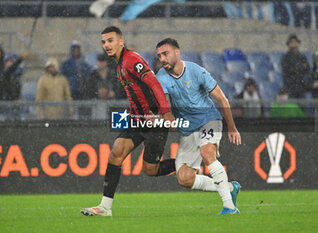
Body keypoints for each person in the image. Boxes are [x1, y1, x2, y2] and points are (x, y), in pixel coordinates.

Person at [81, 26, 175, 217]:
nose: (106, 45)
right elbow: (137, 94)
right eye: (103, 42)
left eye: (110, 40)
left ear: (121, 41)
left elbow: (154, 84)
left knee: (150, 169)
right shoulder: (119, 64)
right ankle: (105, 207)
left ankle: (187, 163)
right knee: (115, 153)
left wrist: (165, 112)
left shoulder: (132, 59)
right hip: (138, 120)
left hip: (154, 118)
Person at [155, 38, 241, 215]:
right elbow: (163, 105)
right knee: (185, 179)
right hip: (188, 130)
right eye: (159, 56)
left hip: (209, 120)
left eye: (165, 54)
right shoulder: (160, 77)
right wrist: (166, 115)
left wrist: (232, 127)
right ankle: (229, 188)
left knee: (207, 153)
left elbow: (222, 99)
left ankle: (230, 207)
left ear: (177, 52)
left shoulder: (196, 71)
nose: (162, 59)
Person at [281, 34, 310, 98]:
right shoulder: (285, 57)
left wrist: (295, 67)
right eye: (292, 42)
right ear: (289, 44)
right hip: (290, 86)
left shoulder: (302, 56)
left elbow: (307, 68)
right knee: (293, 106)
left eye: (295, 42)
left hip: (301, 85)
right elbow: (288, 69)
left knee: (302, 106)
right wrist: (300, 67)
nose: (294, 44)